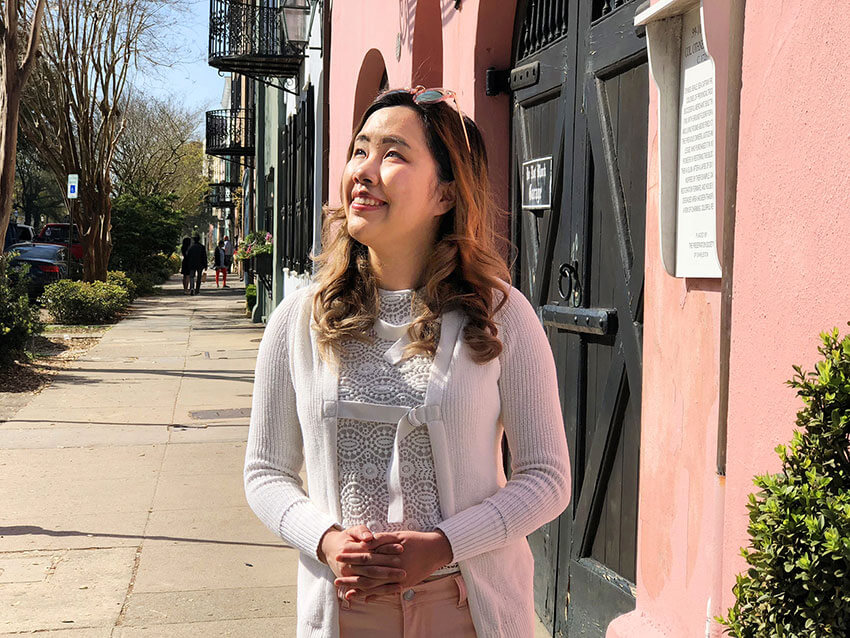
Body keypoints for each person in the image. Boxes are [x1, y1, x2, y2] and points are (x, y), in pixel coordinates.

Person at [245, 87, 571, 637]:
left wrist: (445, 544)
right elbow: (264, 472)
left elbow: (547, 478)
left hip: (467, 610)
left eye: (393, 154)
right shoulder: (299, 319)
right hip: (344, 616)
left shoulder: (500, 315)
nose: (364, 171)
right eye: (359, 151)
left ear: (444, 194)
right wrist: (325, 539)